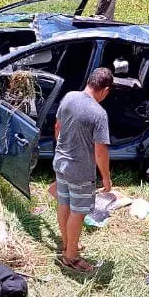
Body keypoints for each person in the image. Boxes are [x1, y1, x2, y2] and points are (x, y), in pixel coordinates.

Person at [53, 66, 113, 273]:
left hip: (60, 163)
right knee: (77, 213)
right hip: (80, 171)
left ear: (89, 82)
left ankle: (67, 243)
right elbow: (100, 151)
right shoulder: (99, 114)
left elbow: (57, 127)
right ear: (105, 90)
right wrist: (106, 178)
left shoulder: (69, 97)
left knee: (64, 204)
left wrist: (62, 149)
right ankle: (71, 257)